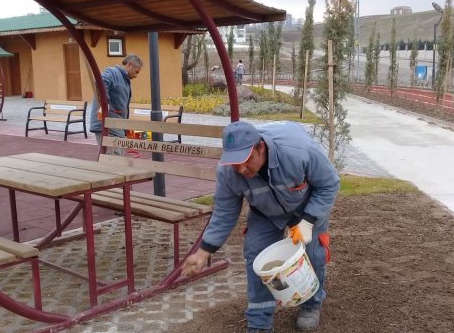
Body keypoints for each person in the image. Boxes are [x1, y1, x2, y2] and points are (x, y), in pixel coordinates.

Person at [181, 121, 340, 332]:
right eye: (234, 162)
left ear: (260, 147)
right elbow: (224, 213)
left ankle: (311, 305)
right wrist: (204, 251)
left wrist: (308, 221)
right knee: (257, 259)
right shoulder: (228, 172)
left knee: (313, 254)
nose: (241, 169)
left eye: (246, 160)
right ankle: (259, 323)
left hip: (306, 205)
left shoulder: (298, 152)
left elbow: (329, 183)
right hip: (265, 213)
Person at [88, 54, 143, 152]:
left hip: (116, 127)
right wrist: (105, 104)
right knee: (113, 160)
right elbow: (101, 82)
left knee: (116, 159)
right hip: (107, 126)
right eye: (136, 72)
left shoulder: (124, 79)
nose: (136, 76)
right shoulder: (113, 72)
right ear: (129, 65)